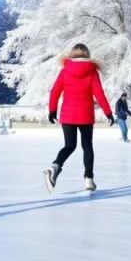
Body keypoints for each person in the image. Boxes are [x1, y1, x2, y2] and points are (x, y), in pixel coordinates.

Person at [44, 43, 113, 193]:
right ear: (87, 55)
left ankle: (55, 166)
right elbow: (99, 94)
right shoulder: (92, 71)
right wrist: (108, 113)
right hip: (85, 115)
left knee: (69, 145)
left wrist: (52, 110)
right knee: (87, 146)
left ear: (72, 54)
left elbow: (55, 91)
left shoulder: (65, 71)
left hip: (67, 115)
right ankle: (89, 179)